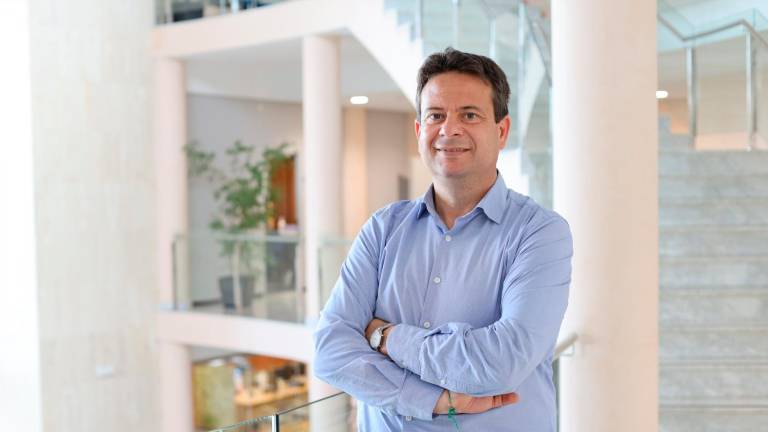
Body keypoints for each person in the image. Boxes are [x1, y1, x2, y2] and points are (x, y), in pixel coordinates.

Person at [313, 47, 573, 432]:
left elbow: (500, 364)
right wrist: (434, 400)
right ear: (420, 131)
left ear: (501, 131)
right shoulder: (383, 229)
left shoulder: (540, 233)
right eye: (436, 115)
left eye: (469, 114)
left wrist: (387, 337)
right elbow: (330, 350)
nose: (449, 130)